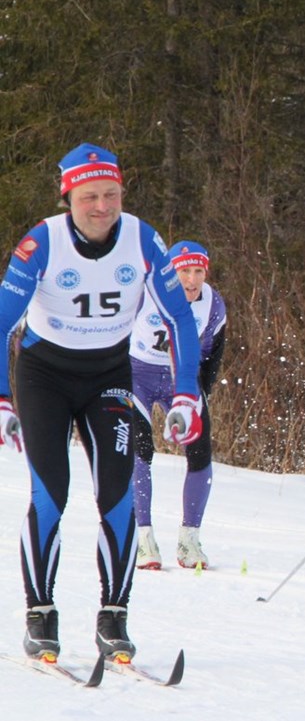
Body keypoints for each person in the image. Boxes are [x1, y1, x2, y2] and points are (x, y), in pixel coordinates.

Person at [0, 143, 203, 663]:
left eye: (111, 194)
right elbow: (2, 323)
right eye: (89, 196)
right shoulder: (41, 243)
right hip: (45, 376)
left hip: (110, 376)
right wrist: (3, 398)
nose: (101, 206)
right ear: (68, 196)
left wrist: (186, 393)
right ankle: (40, 614)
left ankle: (114, 617)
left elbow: (180, 319)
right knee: (51, 495)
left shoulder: (143, 240)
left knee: (116, 497)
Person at [130, 240, 227, 570]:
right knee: (141, 448)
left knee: (201, 449)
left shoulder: (212, 303)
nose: (192, 280)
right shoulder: (144, 291)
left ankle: (189, 539)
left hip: (180, 380)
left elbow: (213, 353)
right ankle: (144, 538)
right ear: (170, 272)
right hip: (136, 375)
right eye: (184, 271)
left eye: (198, 271)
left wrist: (202, 394)